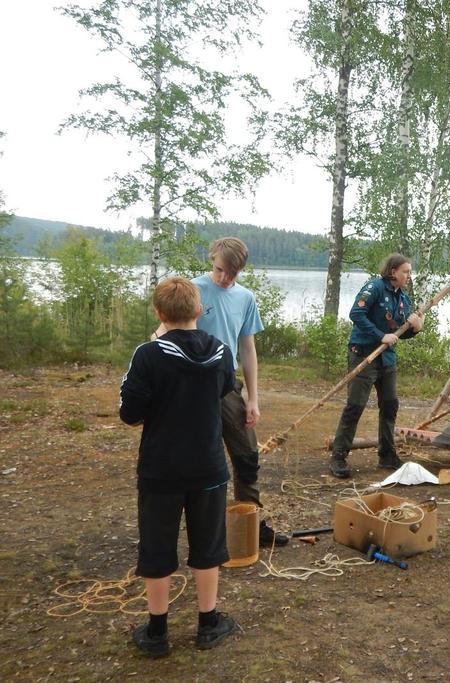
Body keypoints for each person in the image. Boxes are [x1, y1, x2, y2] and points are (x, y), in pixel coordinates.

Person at [121, 277, 240, 657]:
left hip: (161, 470)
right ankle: (208, 623)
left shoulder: (147, 354)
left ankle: (157, 633)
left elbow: (130, 413)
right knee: (209, 545)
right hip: (207, 466)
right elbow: (225, 390)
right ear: (197, 311)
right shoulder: (221, 352)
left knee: (157, 548)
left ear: (160, 313)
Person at [189, 237, 288, 548]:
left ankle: (251, 523)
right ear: (212, 260)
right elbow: (168, 332)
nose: (224, 278)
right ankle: (208, 530)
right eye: (219, 270)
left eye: (232, 273)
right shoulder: (192, 290)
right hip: (193, 385)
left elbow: (247, 348)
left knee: (247, 455)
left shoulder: (245, 298)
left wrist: (253, 398)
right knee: (204, 459)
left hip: (228, 384)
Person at [329, 253, 424, 478]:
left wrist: (415, 327)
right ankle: (338, 457)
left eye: (410, 272)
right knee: (355, 406)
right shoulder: (374, 288)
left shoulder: (403, 299)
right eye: (405, 272)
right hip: (363, 355)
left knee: (390, 405)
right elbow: (356, 314)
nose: (409, 276)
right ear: (393, 272)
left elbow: (400, 333)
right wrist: (380, 335)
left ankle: (387, 454)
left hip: (387, 359)